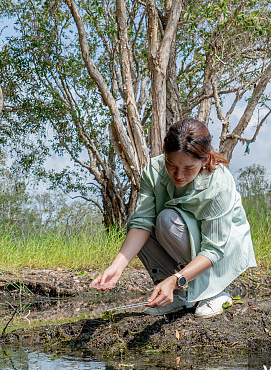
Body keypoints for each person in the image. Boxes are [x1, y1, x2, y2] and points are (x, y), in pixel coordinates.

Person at [90, 118, 256, 317]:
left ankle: (215, 291)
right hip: (183, 235)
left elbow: (214, 248)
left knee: (167, 220)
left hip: (222, 249)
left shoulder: (218, 183)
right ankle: (177, 296)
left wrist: (176, 279)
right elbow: (143, 222)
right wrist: (116, 267)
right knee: (138, 221)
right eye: (171, 165)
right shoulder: (153, 169)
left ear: (204, 161)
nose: (178, 175)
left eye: (189, 168)